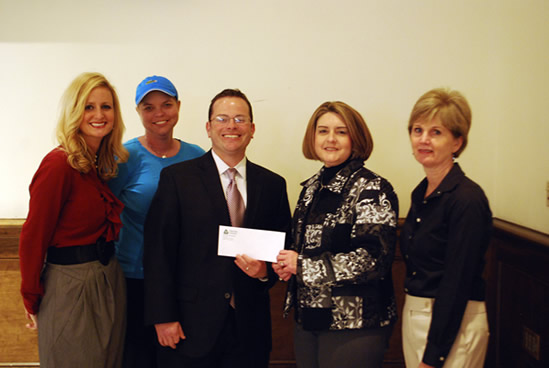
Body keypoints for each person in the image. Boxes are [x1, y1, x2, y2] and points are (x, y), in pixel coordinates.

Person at [143, 88, 292, 368]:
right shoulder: (178, 179)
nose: (231, 126)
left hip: (249, 329)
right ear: (209, 128)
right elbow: (157, 252)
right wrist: (163, 316)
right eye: (222, 119)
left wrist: (264, 273)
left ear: (252, 128)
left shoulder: (273, 185)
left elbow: (281, 252)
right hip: (189, 326)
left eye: (240, 119)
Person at [274, 101, 399, 368]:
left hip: (355, 326)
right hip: (309, 319)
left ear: (356, 138)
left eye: (341, 132)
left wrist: (303, 266)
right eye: (323, 131)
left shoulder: (372, 188)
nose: (331, 139)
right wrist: (287, 266)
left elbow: (373, 259)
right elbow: (304, 251)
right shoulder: (311, 189)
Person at [19, 72, 129, 368]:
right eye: (88, 106)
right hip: (70, 285)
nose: (98, 114)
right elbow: (33, 236)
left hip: (107, 278)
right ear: (73, 111)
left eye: (106, 107)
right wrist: (31, 298)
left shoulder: (99, 165)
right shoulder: (58, 164)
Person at [108, 75, 205, 368]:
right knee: (137, 357)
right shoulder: (123, 156)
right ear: (138, 112)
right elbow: (105, 212)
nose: (159, 113)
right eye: (148, 107)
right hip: (133, 278)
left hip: (181, 280)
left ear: (178, 107)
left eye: (166, 104)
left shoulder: (196, 157)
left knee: (177, 357)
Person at [399, 88, 492, 368]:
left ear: (457, 142)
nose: (423, 139)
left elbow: (457, 281)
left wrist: (434, 356)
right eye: (418, 130)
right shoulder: (421, 194)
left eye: (436, 132)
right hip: (416, 317)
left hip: (454, 325)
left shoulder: (467, 199)